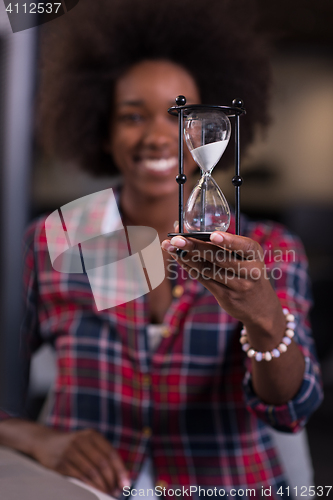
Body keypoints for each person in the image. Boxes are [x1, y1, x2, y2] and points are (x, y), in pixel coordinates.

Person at [0, 0, 323, 499]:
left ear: (210, 128)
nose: (156, 135)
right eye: (133, 115)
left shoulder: (269, 248)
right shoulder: (59, 236)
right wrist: (35, 436)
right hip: (87, 488)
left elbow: (292, 408)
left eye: (180, 115)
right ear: (102, 129)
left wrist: (263, 318)